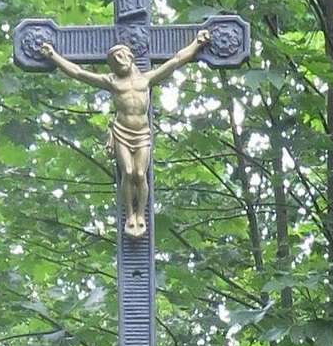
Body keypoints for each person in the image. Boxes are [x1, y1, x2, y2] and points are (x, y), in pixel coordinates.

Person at [40, 30, 210, 237]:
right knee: (127, 172)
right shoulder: (112, 81)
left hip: (142, 133)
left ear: (130, 57)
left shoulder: (146, 79)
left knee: (140, 174)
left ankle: (141, 215)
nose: (118, 61)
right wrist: (53, 55)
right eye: (114, 60)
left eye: (120, 56)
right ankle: (130, 215)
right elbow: (78, 72)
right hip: (121, 131)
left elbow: (176, 60)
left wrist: (197, 43)